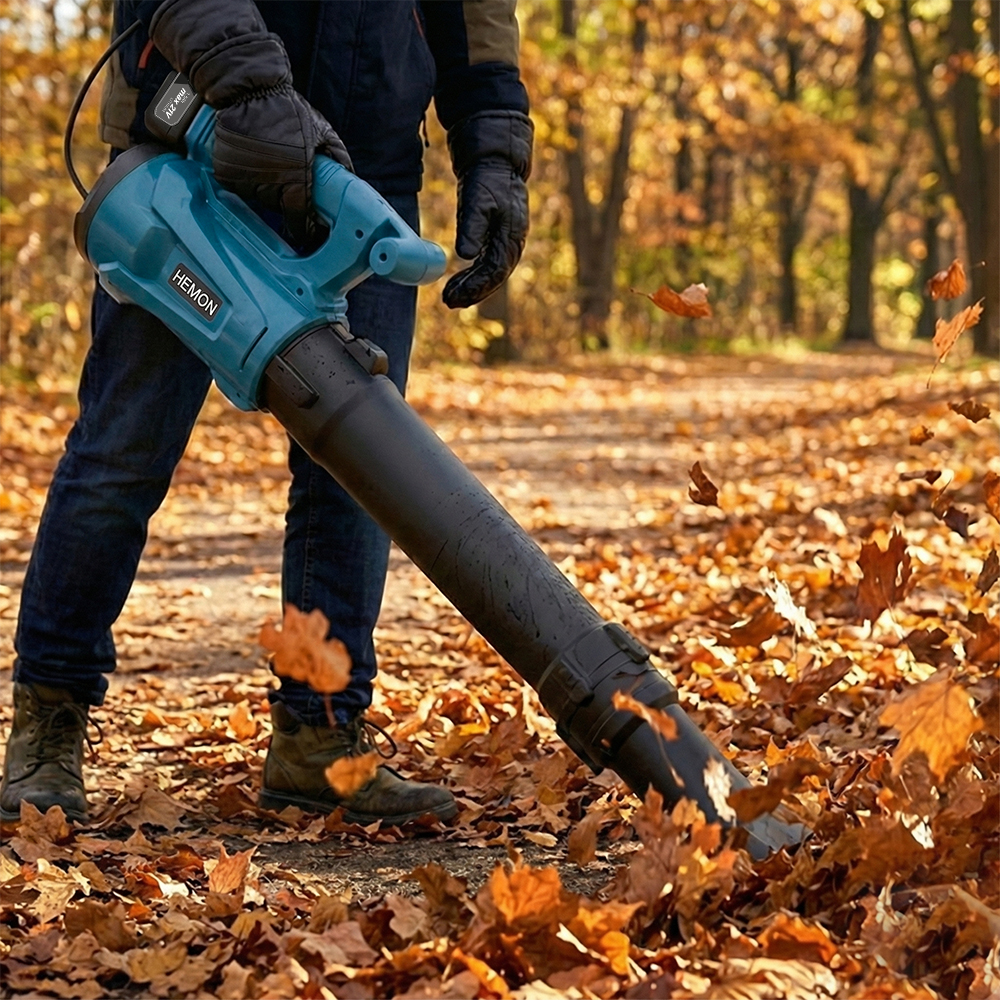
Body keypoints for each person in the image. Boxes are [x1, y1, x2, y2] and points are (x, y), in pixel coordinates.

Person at [1, 0, 533, 826]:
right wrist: (250, 90)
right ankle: (48, 718)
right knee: (123, 448)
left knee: (360, 469)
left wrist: (493, 143)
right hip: (201, 136)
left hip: (369, 156)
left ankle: (318, 735)